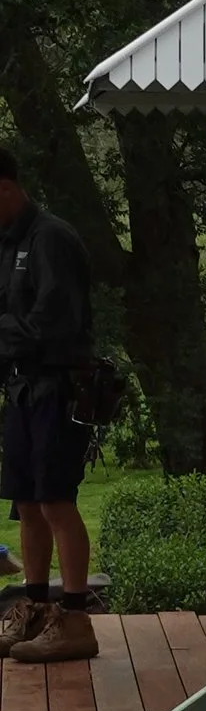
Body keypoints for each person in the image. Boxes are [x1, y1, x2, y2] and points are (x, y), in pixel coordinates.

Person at [0, 153, 102, 665]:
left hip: (59, 389)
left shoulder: (51, 239)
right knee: (26, 502)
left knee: (56, 500)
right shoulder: (9, 243)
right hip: (21, 390)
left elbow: (53, 325)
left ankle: (76, 618)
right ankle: (35, 608)